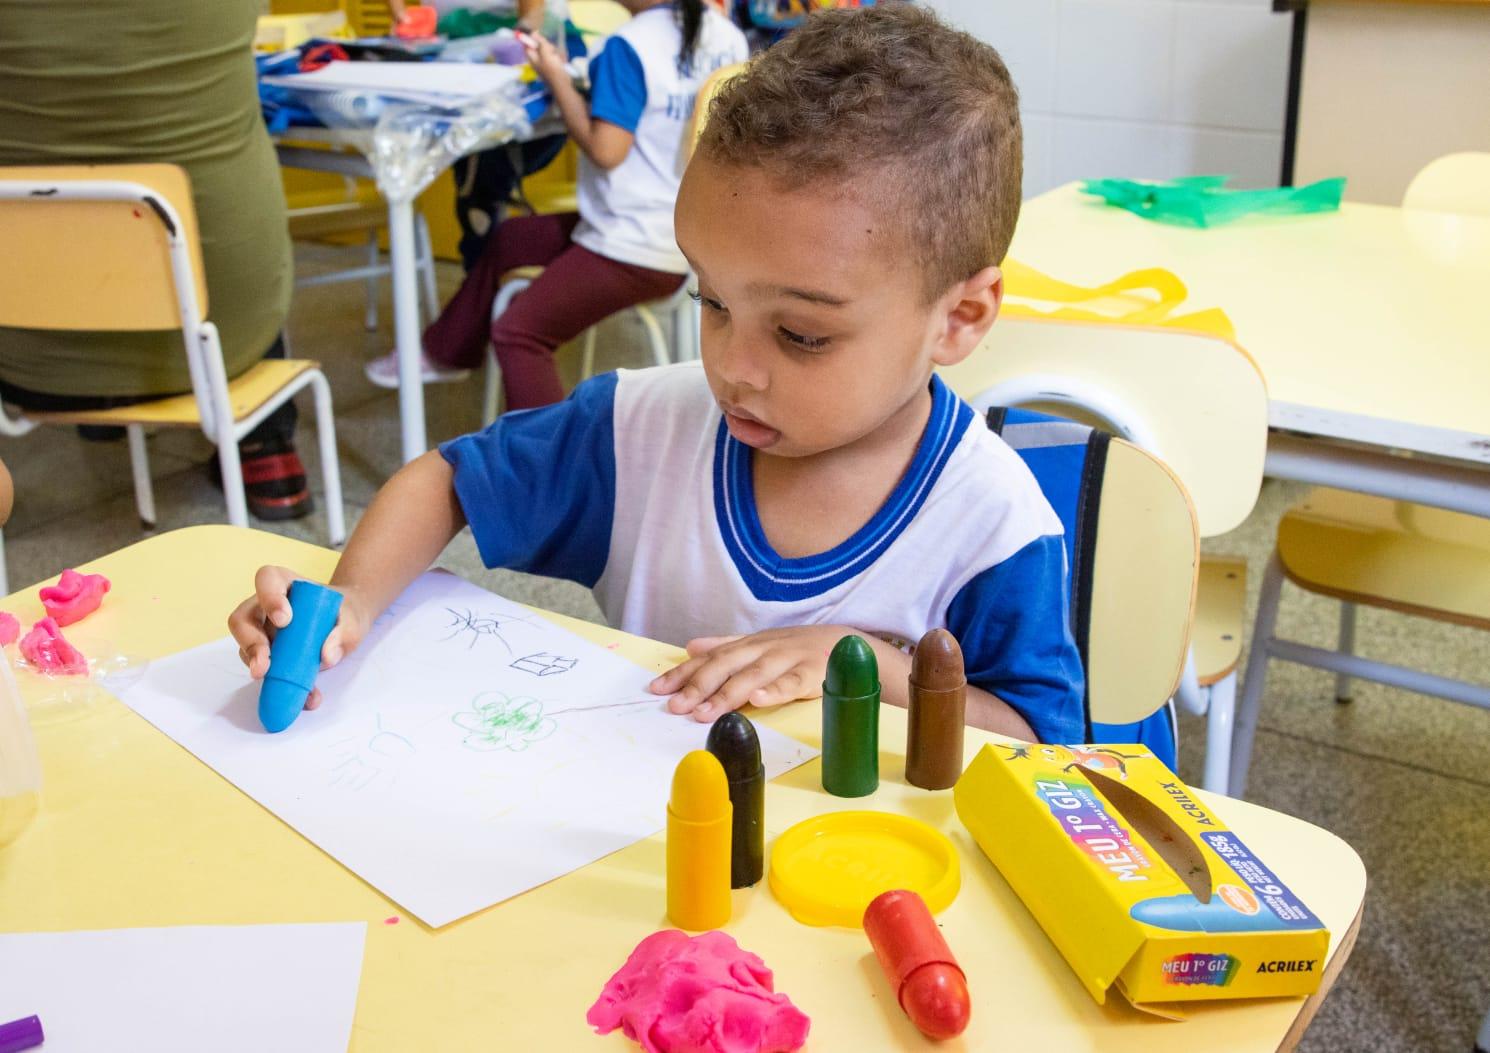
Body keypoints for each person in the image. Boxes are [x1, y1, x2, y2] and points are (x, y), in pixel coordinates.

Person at [236, 4, 1085, 744]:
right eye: (712, 301)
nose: (733, 368)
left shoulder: (992, 523)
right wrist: (349, 600)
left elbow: (1039, 747)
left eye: (800, 334)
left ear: (961, 317)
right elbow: (443, 481)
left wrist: (868, 667)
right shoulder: (634, 431)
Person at [0, 0, 311, 520]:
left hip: (24, 347)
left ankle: (97, 407)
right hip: (226, 332)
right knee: (222, 230)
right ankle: (267, 453)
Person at [364, 0, 749, 412]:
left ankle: (548, 470)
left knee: (518, 333)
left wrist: (555, 79)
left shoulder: (630, 44)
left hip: (636, 246)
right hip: (687, 235)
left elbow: (606, 150)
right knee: (511, 238)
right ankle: (446, 352)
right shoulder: (725, 34)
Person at [386, 0, 578, 271]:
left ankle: (487, 278)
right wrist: (401, 15)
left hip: (528, 43)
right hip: (455, 46)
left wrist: (524, 32)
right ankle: (486, 280)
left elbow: (532, 16)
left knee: (483, 175)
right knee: (476, 170)